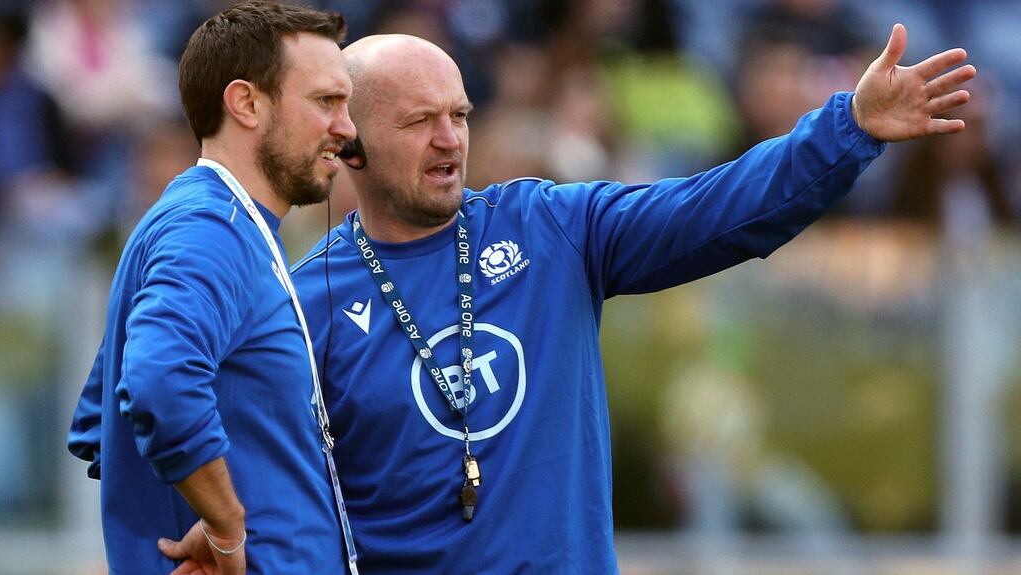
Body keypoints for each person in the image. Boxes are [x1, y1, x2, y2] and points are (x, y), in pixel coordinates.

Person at [289, 26, 974, 573]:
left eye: (459, 115)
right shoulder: (305, 306)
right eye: (419, 122)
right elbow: (283, 506)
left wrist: (847, 128)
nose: (450, 139)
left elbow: (715, 209)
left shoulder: (549, 226)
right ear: (349, 143)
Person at [66, 2, 359, 573]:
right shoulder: (211, 230)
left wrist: (168, 509)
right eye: (327, 102)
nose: (346, 129)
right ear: (245, 103)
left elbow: (101, 429)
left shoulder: (218, 222)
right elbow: (159, 382)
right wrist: (226, 530)